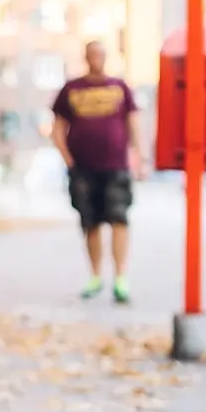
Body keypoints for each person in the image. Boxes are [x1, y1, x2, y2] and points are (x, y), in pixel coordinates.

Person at [51, 40, 146, 303]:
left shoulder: (119, 87)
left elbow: (133, 123)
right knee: (89, 222)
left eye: (101, 54)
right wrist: (68, 158)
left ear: (106, 57)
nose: (96, 59)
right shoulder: (71, 89)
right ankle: (95, 276)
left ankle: (121, 278)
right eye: (92, 54)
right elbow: (57, 127)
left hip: (116, 165)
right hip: (82, 168)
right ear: (85, 57)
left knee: (119, 219)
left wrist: (139, 156)